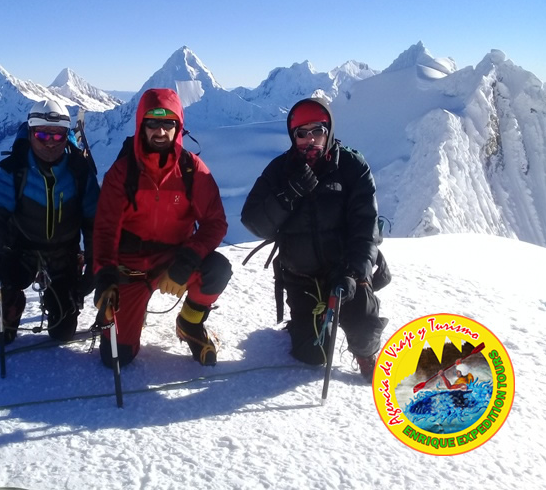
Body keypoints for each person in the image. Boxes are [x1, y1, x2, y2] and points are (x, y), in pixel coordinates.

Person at [240, 96, 387, 382]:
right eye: (301, 133)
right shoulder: (280, 171)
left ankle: (366, 353)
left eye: (317, 131)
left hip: (345, 270)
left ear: (328, 131)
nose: (310, 140)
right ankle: (305, 324)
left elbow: (365, 227)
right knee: (313, 354)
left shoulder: (352, 167)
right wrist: (289, 194)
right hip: (301, 275)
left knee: (364, 329)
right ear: (292, 136)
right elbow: (254, 221)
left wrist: (355, 273)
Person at [93, 88, 232, 367]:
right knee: (116, 358)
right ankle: (130, 312)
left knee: (216, 269)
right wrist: (106, 277)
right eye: (152, 123)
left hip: (175, 260)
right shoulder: (122, 172)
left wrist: (186, 262)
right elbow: (105, 230)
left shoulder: (192, 170)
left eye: (168, 123)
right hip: (130, 268)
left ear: (178, 127)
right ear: (141, 125)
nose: (160, 131)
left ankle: (190, 322)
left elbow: (215, 222)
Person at [0, 99, 99, 344]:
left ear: (66, 136)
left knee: (62, 333)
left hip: (64, 254)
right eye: (43, 134)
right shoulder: (14, 170)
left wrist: (94, 263)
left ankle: (59, 300)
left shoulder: (80, 172)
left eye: (57, 135)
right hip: (21, 251)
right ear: (31, 133)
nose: (50, 142)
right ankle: (13, 302)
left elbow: (93, 222)